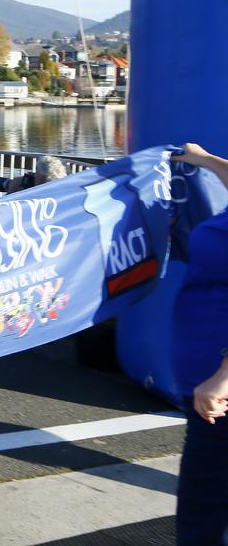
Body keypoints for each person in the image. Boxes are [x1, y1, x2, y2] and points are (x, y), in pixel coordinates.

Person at [170, 142, 228, 546]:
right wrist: (204, 159)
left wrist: (223, 377)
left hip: (219, 393)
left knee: (203, 514)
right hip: (204, 382)